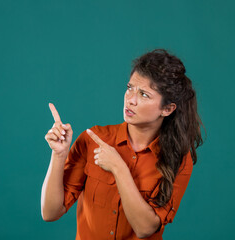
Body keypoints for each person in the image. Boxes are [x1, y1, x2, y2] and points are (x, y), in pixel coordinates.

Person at [41, 49, 205, 239]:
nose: (130, 100)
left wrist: (119, 168)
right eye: (130, 88)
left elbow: (145, 229)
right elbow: (50, 213)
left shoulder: (179, 158)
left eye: (144, 94)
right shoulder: (93, 139)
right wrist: (59, 155)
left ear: (167, 109)